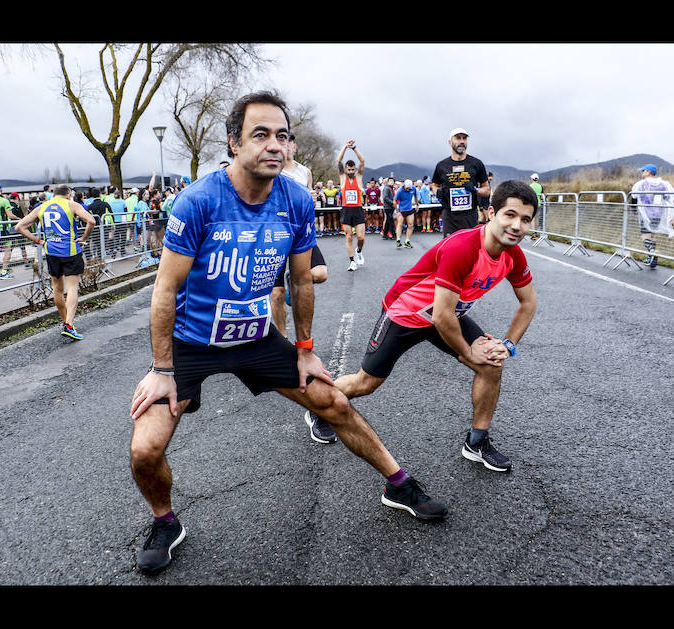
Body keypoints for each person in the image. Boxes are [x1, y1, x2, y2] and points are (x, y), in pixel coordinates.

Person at [128, 91, 448, 574]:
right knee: (145, 448)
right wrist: (161, 368)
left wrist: (303, 349)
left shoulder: (295, 200)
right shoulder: (197, 201)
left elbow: (301, 280)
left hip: (258, 338)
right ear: (233, 143)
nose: (274, 145)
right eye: (260, 135)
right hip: (192, 344)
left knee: (334, 403)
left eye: (282, 136)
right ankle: (165, 521)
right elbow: (164, 291)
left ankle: (398, 484)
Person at [316, 180, 538, 474]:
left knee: (492, 364)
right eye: (510, 215)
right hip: (405, 313)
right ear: (491, 213)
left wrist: (507, 346)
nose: (517, 225)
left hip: (444, 314)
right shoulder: (463, 247)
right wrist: (469, 354)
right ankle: (319, 406)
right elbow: (442, 317)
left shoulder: (513, 255)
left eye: (525, 219)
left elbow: (528, 303)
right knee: (365, 383)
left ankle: (477, 441)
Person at [14, 185, 95, 340]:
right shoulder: (72, 204)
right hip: (70, 250)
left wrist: (39, 241)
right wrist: (84, 238)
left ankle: (65, 322)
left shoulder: (42, 207)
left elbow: (19, 227)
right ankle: (69, 325)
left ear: (53, 194)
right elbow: (91, 221)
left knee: (57, 289)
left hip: (51, 251)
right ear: (68, 194)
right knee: (72, 288)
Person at [273, 133, 328, 341]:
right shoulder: (273, 171)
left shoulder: (305, 171)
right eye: (280, 142)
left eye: (287, 142)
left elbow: (308, 201)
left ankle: (292, 277)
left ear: (294, 146)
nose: (284, 146)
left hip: (300, 234)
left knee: (321, 273)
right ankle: (282, 340)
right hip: (276, 235)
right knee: (277, 294)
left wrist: (311, 199)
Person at [430, 128, 489, 238]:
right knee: (450, 249)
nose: (462, 141)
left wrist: (475, 190)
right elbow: (434, 185)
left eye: (464, 138)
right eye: (458, 138)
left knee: (470, 249)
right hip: (449, 215)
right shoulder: (442, 165)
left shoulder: (476, 163)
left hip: (469, 215)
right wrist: (437, 191)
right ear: (450, 142)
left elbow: (486, 190)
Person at [631, 164, 674, 268]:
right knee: (652, 236)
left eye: (643, 171)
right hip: (657, 215)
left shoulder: (640, 184)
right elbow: (670, 200)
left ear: (648, 172)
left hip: (645, 215)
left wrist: (634, 210)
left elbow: (633, 198)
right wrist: (671, 216)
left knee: (645, 236)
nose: (642, 173)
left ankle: (652, 252)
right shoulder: (664, 184)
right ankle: (652, 259)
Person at [337, 140, 367, 271]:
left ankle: (359, 251)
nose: (350, 171)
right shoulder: (342, 177)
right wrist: (344, 147)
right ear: (345, 169)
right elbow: (339, 161)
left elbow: (362, 161)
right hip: (346, 210)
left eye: (352, 169)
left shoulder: (358, 177)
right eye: (348, 169)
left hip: (358, 210)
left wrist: (354, 148)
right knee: (349, 236)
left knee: (360, 237)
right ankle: (352, 261)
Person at [86, 187, 113, 260]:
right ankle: (101, 260)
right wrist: (112, 225)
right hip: (104, 227)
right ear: (100, 195)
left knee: (97, 244)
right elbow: (111, 214)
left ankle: (98, 260)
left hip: (94, 228)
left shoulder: (89, 206)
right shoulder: (105, 204)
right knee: (103, 244)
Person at [394, 179, 419, 248]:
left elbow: (416, 195)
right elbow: (394, 201)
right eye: (407, 188)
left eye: (409, 188)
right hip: (402, 210)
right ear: (404, 186)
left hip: (409, 209)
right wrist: (397, 210)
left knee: (410, 225)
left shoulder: (413, 188)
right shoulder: (400, 191)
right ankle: (398, 240)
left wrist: (417, 204)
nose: (408, 189)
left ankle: (407, 241)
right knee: (400, 224)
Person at [528, 173, 543, 239]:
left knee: (533, 219)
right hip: (539, 204)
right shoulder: (540, 186)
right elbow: (542, 197)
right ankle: (536, 232)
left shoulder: (530, 186)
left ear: (532, 179)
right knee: (536, 219)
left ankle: (534, 233)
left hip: (532, 204)